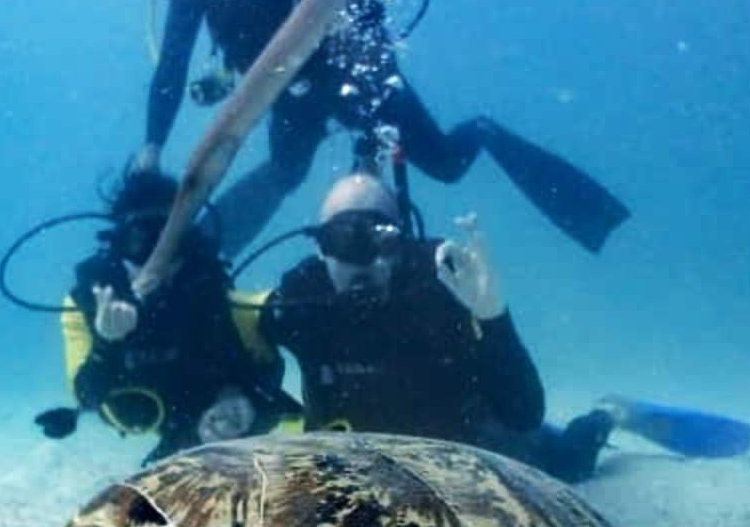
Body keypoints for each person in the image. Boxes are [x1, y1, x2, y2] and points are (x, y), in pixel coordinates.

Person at [134, 0, 630, 257]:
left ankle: (489, 138)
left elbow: (367, 9)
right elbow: (172, 61)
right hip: (290, 95)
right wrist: (152, 148)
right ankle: (196, 258)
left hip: (357, 79)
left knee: (445, 165)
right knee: (287, 171)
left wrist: (361, 69)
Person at [254, 173, 616, 482]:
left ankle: (607, 415)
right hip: (356, 465)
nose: (363, 260)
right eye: (342, 241)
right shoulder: (300, 298)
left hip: (467, 452)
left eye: (379, 238)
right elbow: (239, 364)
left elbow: (523, 413)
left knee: (571, 465)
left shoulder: (443, 282)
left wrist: (493, 317)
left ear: (401, 242)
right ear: (320, 248)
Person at [36, 170, 299, 462]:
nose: (156, 261)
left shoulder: (215, 296)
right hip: (158, 421)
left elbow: (272, 319)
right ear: (118, 245)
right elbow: (86, 395)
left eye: (171, 241)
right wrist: (105, 343)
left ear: (188, 242)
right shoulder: (85, 304)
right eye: (140, 242)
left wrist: (246, 400)